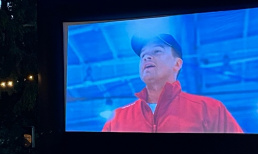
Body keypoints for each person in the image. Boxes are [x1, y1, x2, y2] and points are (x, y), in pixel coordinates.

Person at [102, 34, 243, 133]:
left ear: (177, 64)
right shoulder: (117, 118)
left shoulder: (210, 109)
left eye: (157, 51)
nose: (147, 57)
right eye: (143, 55)